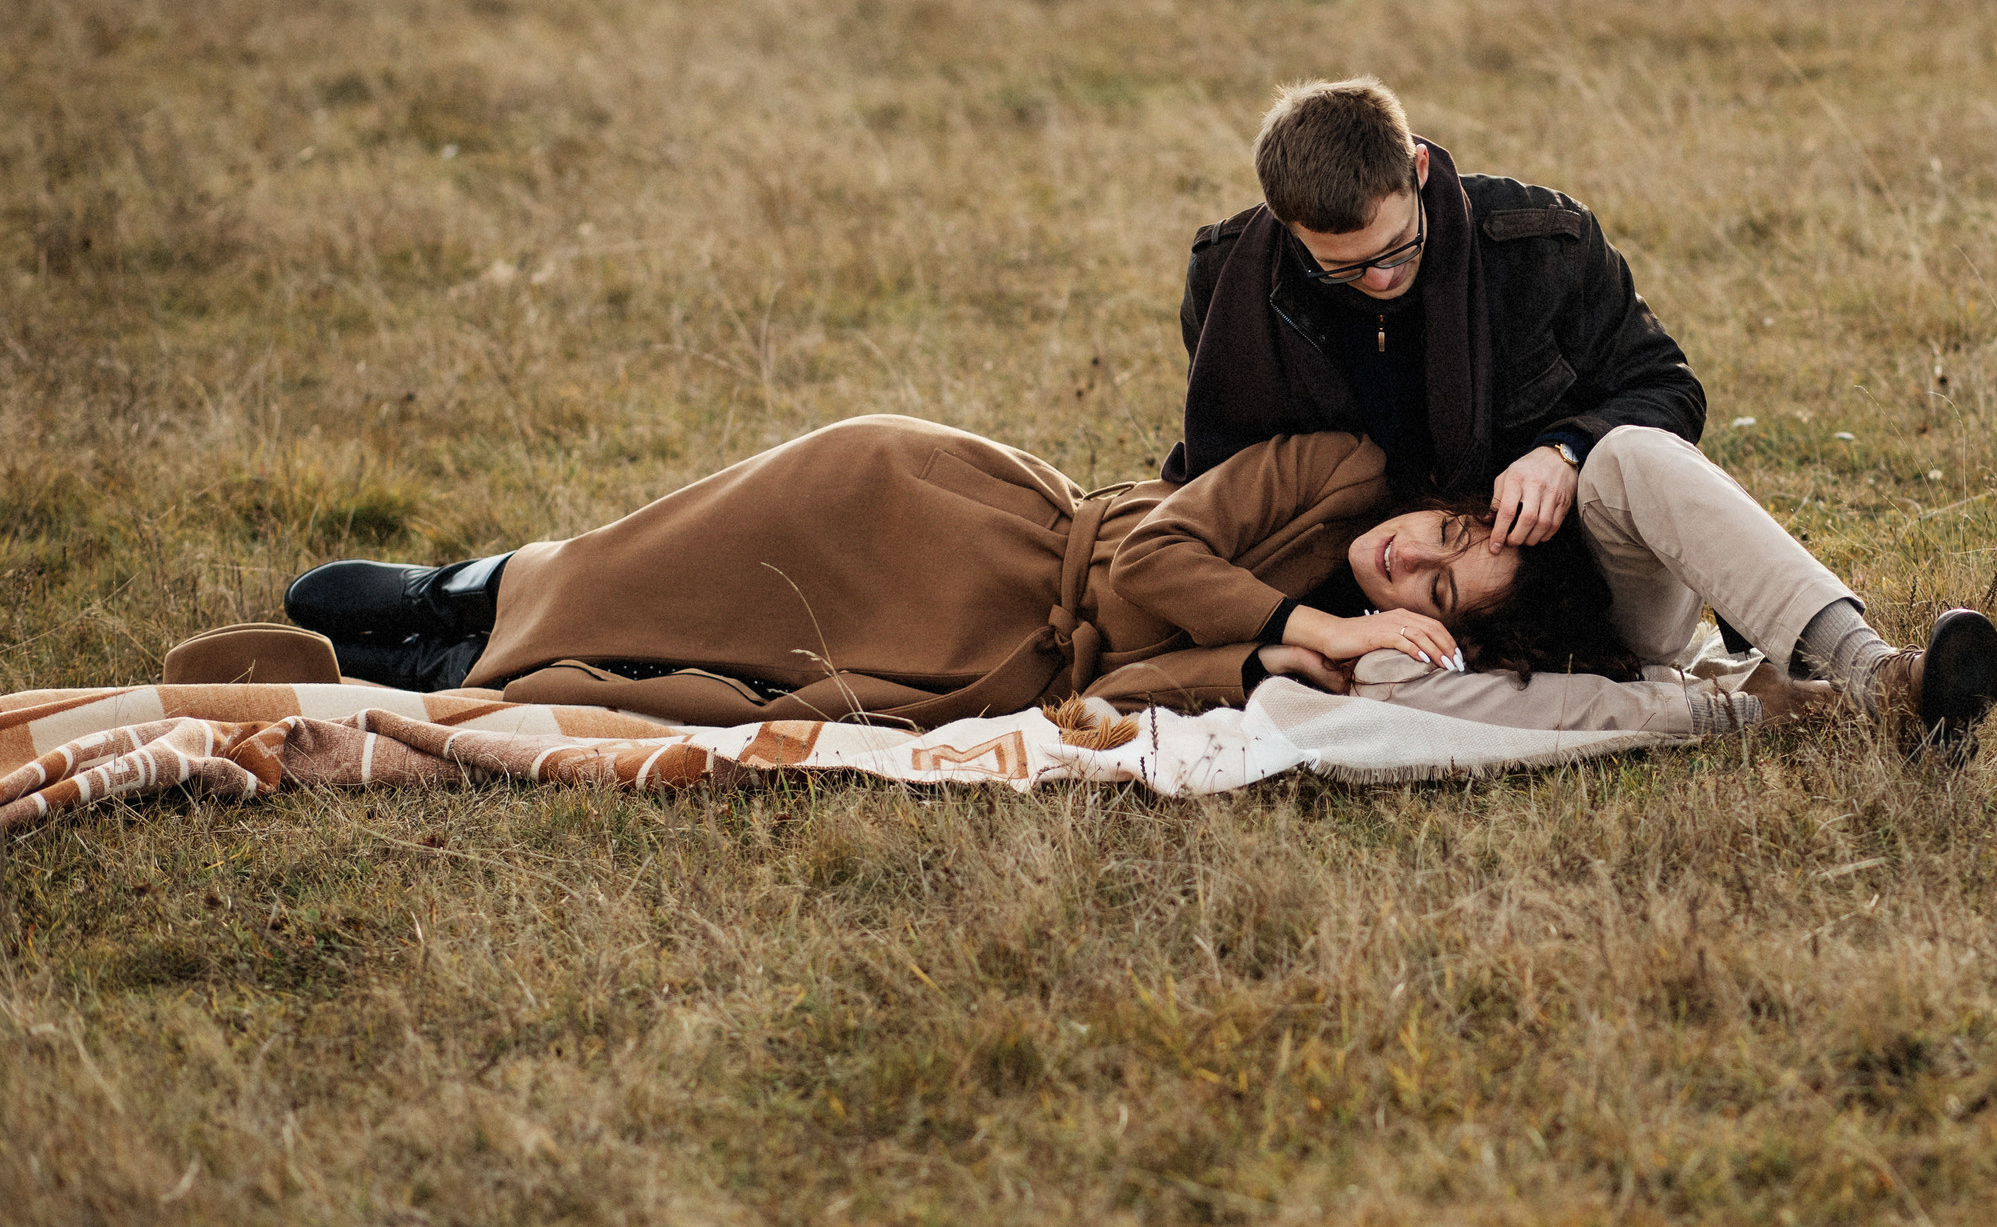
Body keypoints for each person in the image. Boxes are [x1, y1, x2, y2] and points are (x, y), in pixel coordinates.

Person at [1167, 77, 1997, 754]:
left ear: (1419, 169)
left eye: (1397, 250)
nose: (1381, 280)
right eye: (1342, 271)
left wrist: (1567, 449)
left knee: (1628, 453)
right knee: (1379, 685)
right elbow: (1227, 481)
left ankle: (1875, 673)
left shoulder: (1541, 242)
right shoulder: (1229, 285)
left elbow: (1668, 387)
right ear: (1286, 230)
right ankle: (1735, 712)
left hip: (1592, 582)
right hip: (1414, 618)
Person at [280, 415, 1831, 737]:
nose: (1414, 556)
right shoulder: (1344, 472)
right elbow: (1158, 541)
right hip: (986, 513)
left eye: (1441, 587)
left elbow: (1133, 671)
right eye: (1446, 529)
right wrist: (1310, 615)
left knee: (726, 662)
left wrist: (1266, 666)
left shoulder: (1333, 656)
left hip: (1003, 652)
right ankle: (466, 586)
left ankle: (463, 665)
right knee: (693, 538)